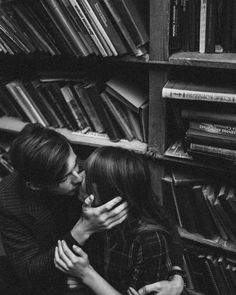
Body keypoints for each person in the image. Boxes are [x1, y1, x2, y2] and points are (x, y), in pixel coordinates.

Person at [0, 123, 184, 295]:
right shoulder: (9, 202)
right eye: (64, 178)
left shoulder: (82, 165)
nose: (79, 178)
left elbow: (156, 216)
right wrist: (83, 229)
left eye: (76, 165)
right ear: (36, 186)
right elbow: (31, 272)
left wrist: (176, 275)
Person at [54, 146, 186, 295]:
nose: (79, 177)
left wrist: (86, 275)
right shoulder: (87, 209)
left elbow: (167, 226)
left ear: (104, 193)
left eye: (88, 176)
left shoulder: (147, 240)